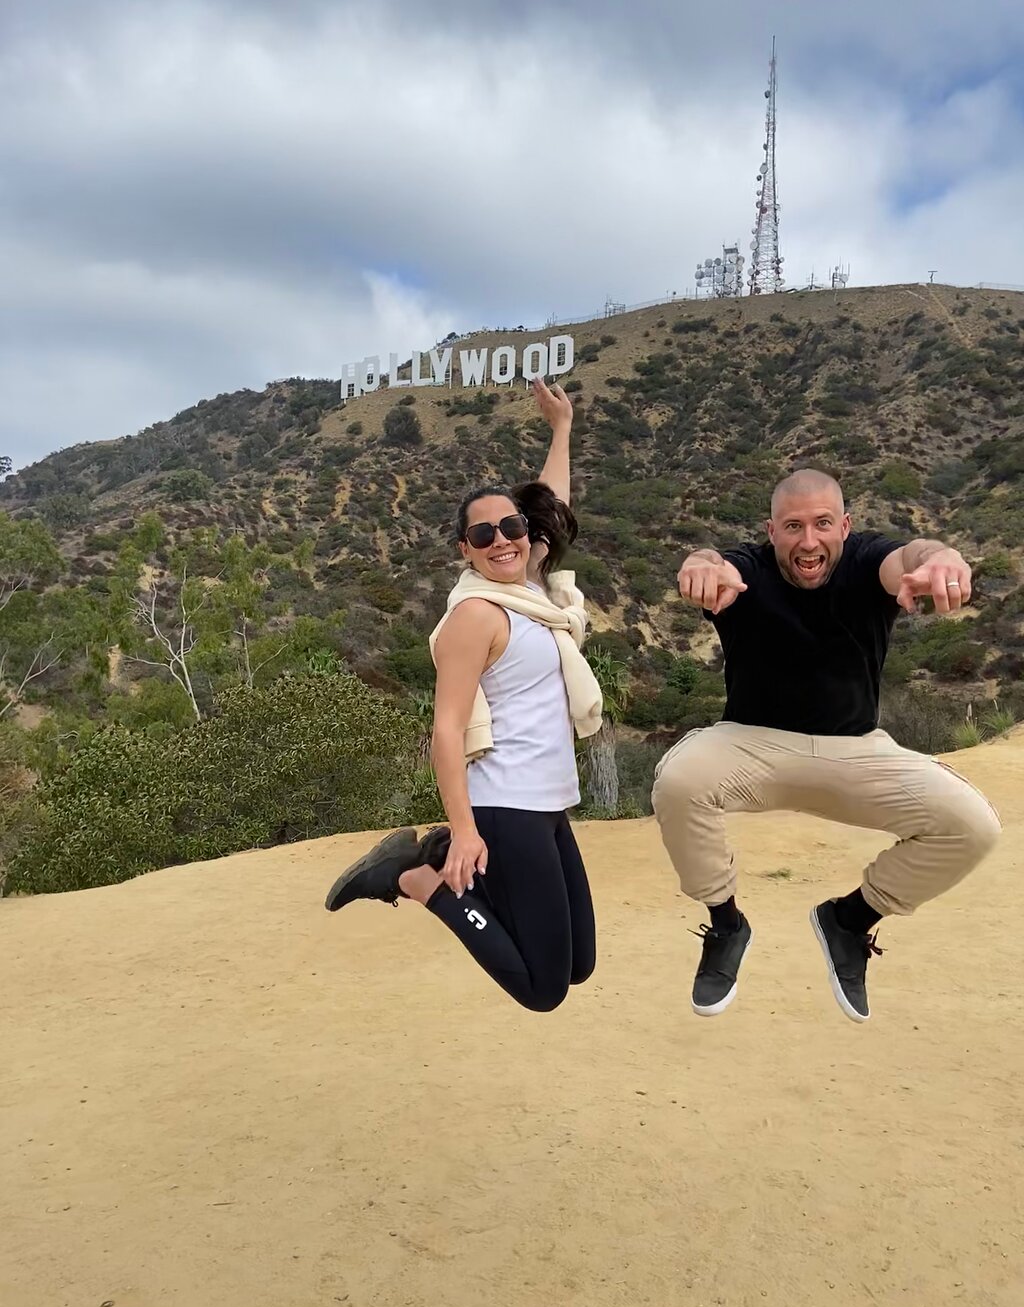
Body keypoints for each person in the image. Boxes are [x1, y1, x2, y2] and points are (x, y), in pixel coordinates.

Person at [652, 467, 1001, 1023]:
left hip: (856, 751)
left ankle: (849, 921)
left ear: (846, 525)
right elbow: (717, 565)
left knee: (973, 826)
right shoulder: (749, 569)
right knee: (678, 781)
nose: (808, 541)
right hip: (753, 746)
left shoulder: (867, 560)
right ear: (772, 531)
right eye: (792, 526)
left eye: (821, 524)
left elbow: (909, 558)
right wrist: (701, 562)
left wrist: (939, 556)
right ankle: (725, 924)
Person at [324, 377, 604, 1012]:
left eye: (510, 526)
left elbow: (552, 503)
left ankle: (439, 856)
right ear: (466, 551)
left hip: (546, 801)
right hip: (506, 805)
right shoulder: (476, 616)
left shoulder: (532, 591)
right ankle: (416, 877)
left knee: (579, 962)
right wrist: (465, 826)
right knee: (543, 989)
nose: (501, 540)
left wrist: (561, 430)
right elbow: (446, 731)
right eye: (483, 536)